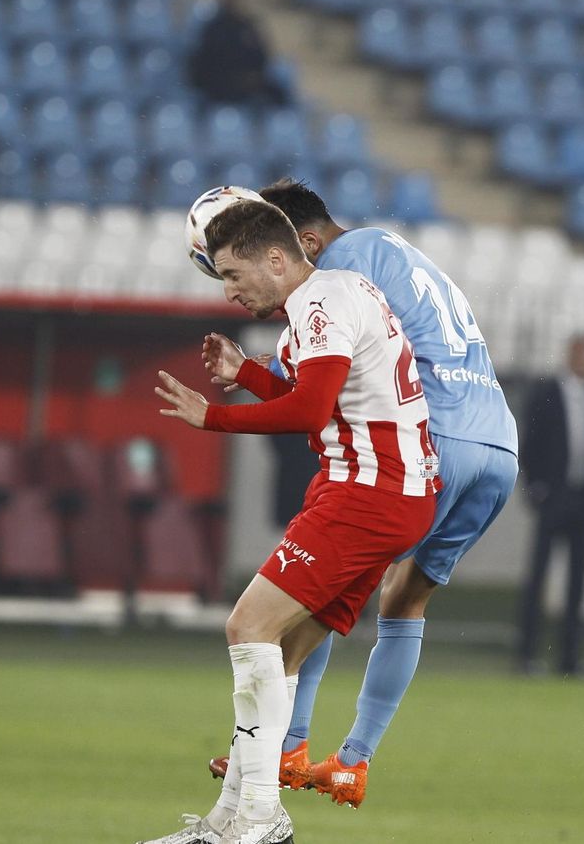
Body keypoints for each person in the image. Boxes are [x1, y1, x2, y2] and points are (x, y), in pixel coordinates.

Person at [204, 179, 520, 809]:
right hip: (498, 443)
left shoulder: (336, 275)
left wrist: (245, 380)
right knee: (404, 604)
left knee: (313, 590)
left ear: (305, 242)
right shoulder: (393, 251)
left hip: (435, 438)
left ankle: (288, 746)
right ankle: (353, 762)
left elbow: (321, 382)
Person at [144, 200, 439, 844]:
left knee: (247, 625)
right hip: (392, 492)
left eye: (231, 273)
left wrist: (212, 417)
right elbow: (328, 404)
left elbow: (308, 411)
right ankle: (232, 819)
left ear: (277, 258)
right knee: (279, 653)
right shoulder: (337, 294)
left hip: (367, 489)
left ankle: (258, 819)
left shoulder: (322, 303)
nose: (228, 290)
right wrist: (245, 374)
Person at [515, 334, 584, 677]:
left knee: (578, 582)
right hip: (556, 496)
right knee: (539, 577)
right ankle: (526, 655)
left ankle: (569, 659)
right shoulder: (550, 393)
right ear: (571, 355)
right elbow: (531, 442)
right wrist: (536, 488)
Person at [186, 0, 288, 107]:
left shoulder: (248, 26)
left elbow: (261, 56)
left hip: (247, 82)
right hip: (220, 83)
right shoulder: (213, 29)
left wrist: (253, 75)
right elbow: (205, 61)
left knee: (278, 94)